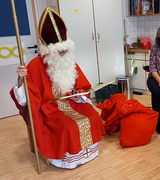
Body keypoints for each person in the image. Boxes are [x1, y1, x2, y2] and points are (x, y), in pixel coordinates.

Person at [9, 7, 105, 169]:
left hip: (72, 104)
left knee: (92, 115)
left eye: (65, 50)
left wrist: (78, 95)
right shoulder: (34, 66)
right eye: (58, 51)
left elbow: (82, 87)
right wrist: (20, 79)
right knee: (68, 126)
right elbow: (25, 99)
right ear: (48, 51)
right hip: (49, 108)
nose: (63, 54)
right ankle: (68, 158)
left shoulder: (69, 61)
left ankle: (87, 153)